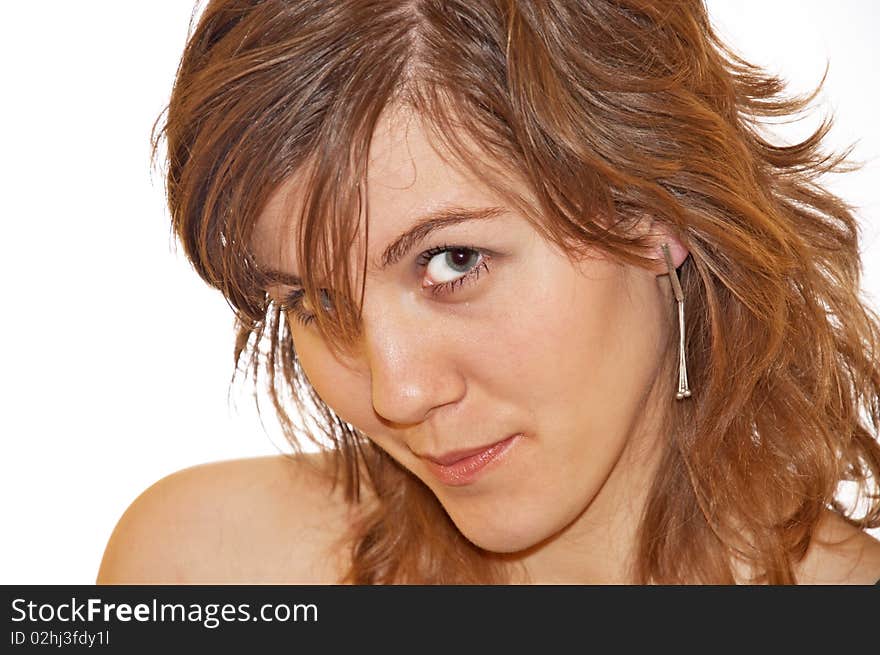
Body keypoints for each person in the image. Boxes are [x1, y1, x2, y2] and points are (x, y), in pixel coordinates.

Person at [97, 0, 880, 585]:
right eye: (320, 302)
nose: (396, 391)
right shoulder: (199, 569)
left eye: (453, 260)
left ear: (655, 208)